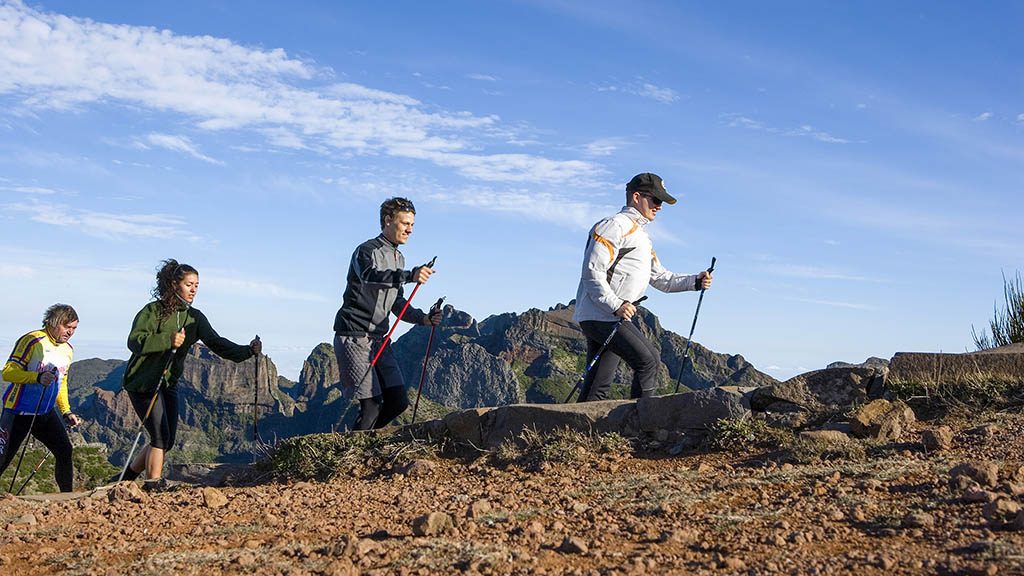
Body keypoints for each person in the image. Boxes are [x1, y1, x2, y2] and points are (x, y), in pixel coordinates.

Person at [116, 259, 260, 487]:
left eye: (197, 285)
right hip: (143, 383)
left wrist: (248, 351)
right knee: (160, 437)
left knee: (167, 440)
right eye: (189, 284)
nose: (194, 290)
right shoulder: (152, 311)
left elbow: (217, 343)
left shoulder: (195, 318)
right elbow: (134, 341)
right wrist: (167, 339)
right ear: (174, 285)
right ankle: (153, 484)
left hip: (168, 384)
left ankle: (125, 478)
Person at [573, 172, 713, 401]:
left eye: (661, 202)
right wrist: (616, 304)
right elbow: (592, 272)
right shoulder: (614, 226)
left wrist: (695, 282)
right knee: (649, 360)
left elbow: (660, 278)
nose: (659, 206)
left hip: (609, 315)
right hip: (604, 314)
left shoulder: (640, 235)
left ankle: (579, 432)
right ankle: (644, 424)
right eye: (656, 200)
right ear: (636, 197)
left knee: (598, 384)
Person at [333, 197, 441, 430]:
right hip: (354, 336)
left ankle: (364, 443)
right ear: (387, 221)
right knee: (371, 404)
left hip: (379, 341)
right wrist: (409, 275)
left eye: (412, 225)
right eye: (405, 223)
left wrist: (423, 319)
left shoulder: (398, 257)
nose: (410, 230)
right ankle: (353, 454)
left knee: (398, 401)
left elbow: (397, 302)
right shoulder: (366, 250)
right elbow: (370, 277)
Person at [0, 304, 82, 492]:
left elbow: (62, 382)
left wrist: (66, 411)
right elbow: (8, 373)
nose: (70, 332)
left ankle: (66, 498)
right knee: (2, 459)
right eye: (66, 327)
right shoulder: (32, 340)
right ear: (53, 323)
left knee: (64, 450)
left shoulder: (68, 350)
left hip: (44, 412)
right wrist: (36, 377)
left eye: (74, 328)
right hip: (18, 410)